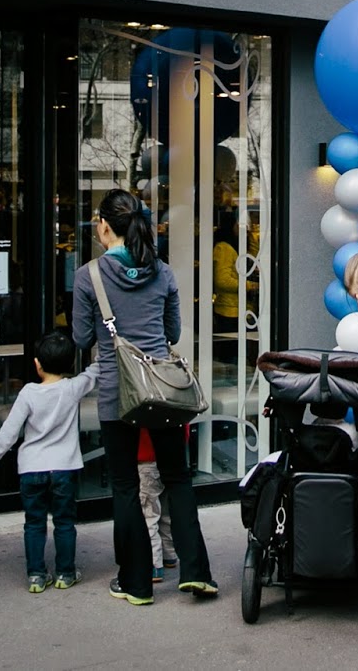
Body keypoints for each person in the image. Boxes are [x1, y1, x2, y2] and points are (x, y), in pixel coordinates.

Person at [72, 189, 217, 606]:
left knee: (124, 485)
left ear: (103, 225)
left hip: (118, 394)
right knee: (179, 479)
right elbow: (171, 334)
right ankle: (197, 573)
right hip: (163, 391)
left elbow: (82, 338)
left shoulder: (89, 277)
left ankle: (135, 583)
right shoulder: (164, 272)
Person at [0, 331, 99, 594]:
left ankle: (36, 575)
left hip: (32, 469)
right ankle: (65, 573)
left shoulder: (28, 393)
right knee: (65, 522)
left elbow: (10, 431)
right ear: (69, 366)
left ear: (37, 364)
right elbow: (95, 372)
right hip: (64, 468)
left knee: (34, 523)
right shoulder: (73, 387)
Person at [136, 426, 184, 584]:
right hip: (169, 456)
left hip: (146, 460)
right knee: (164, 512)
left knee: (149, 514)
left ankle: (154, 563)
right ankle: (169, 554)